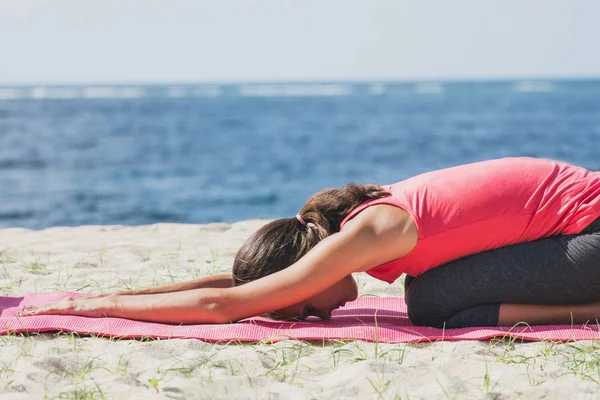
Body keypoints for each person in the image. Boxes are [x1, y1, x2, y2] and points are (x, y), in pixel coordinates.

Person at [19, 157, 600, 328]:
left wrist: (87, 306)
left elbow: (228, 307)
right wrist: (132, 291)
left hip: (592, 237)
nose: (320, 314)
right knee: (432, 292)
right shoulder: (353, 227)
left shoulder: (370, 231)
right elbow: (241, 288)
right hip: (580, 234)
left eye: (301, 311)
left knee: (429, 303)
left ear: (308, 267)